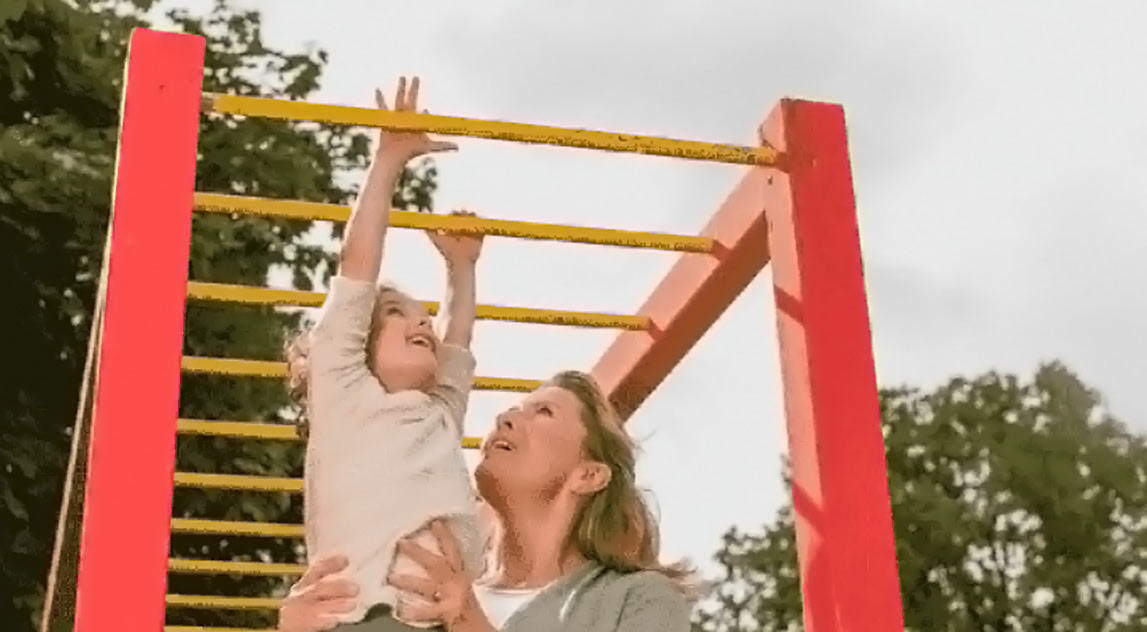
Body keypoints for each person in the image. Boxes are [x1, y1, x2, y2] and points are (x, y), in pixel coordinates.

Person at [284, 76, 490, 630]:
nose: (421, 320)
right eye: (397, 314)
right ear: (358, 344)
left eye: (423, 316)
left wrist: (461, 270)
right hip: (363, 615)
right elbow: (357, 268)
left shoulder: (437, 415)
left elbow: (458, 341)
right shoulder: (345, 393)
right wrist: (389, 161)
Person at [277, 371, 698, 632]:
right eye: (516, 408)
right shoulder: (428, 600)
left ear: (589, 474)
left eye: (544, 413)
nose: (506, 418)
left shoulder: (637, 600)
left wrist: (469, 623)